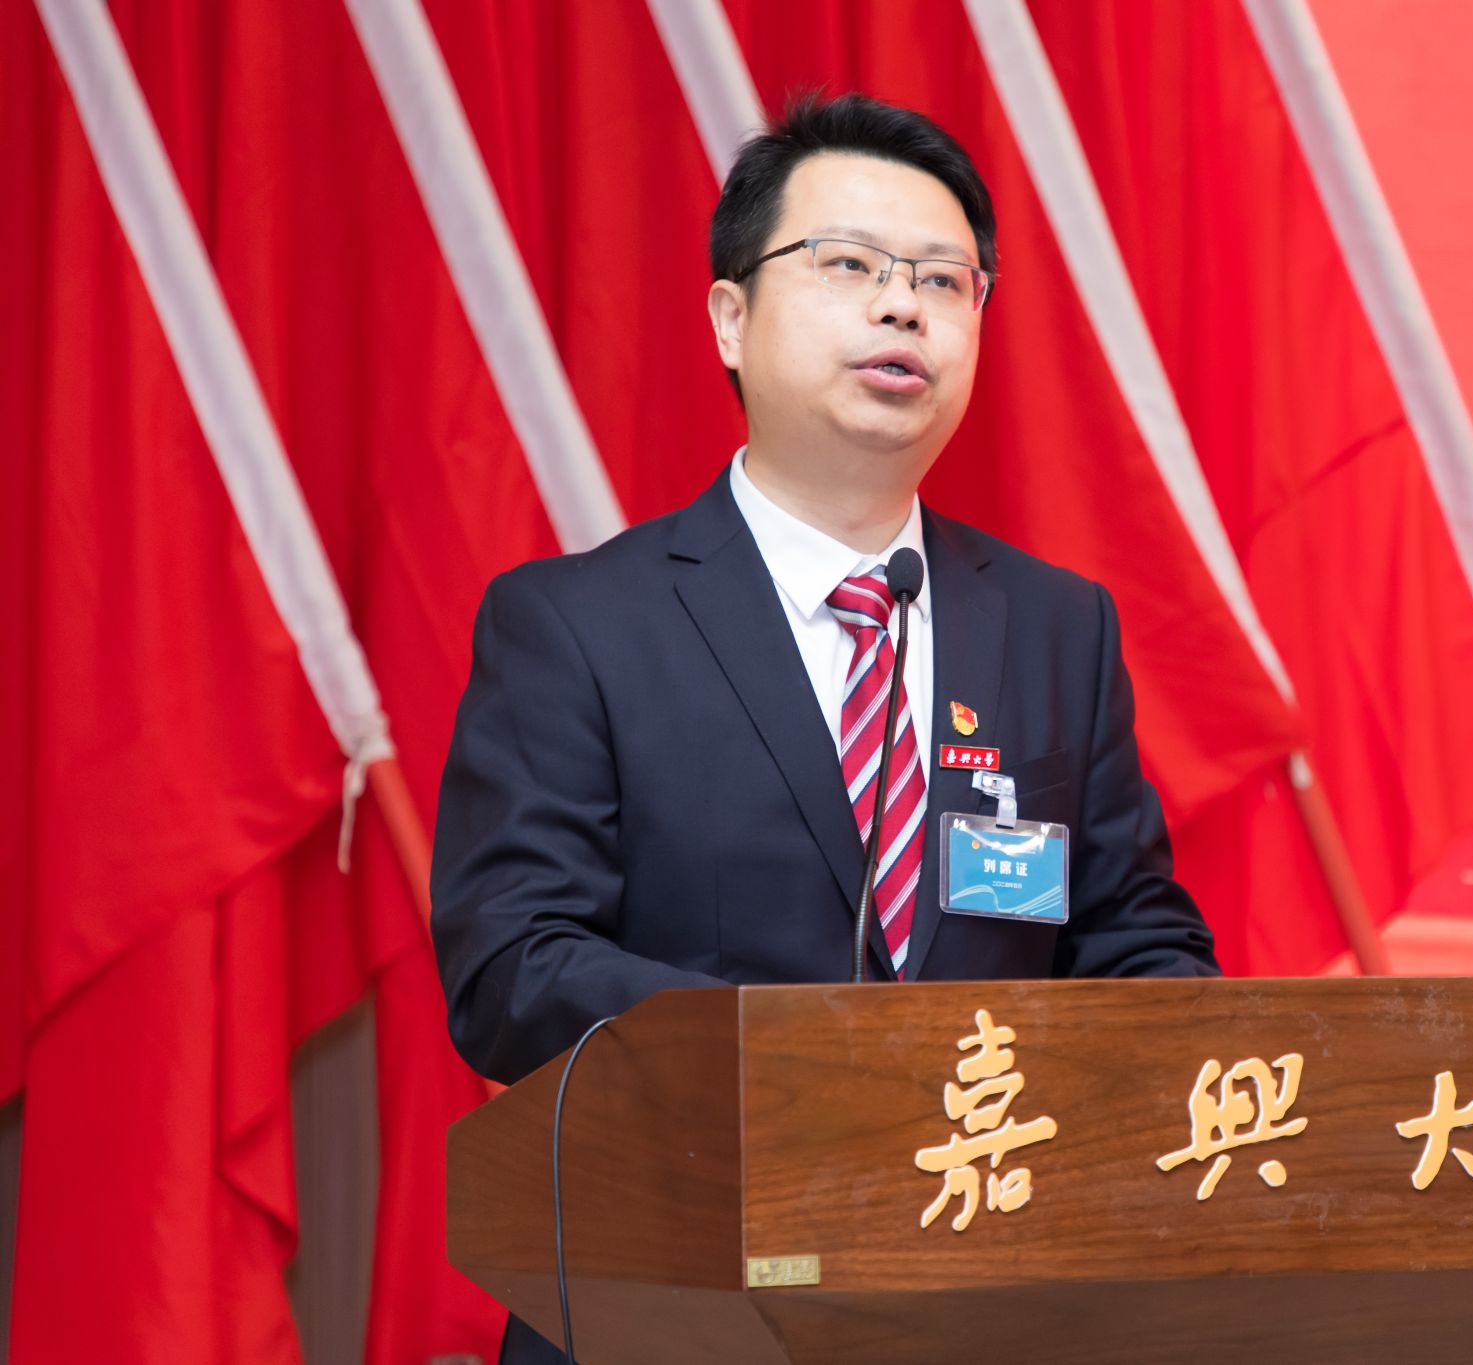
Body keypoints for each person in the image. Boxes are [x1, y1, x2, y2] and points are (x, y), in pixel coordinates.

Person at [430, 90, 1217, 1362]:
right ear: (729, 319)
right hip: (672, 1302)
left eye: (942, 281)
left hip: (988, 1308)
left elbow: (1132, 938)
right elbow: (511, 968)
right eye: (850, 265)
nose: (902, 307)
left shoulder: (1054, 627)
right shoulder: (574, 625)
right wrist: (807, 1067)